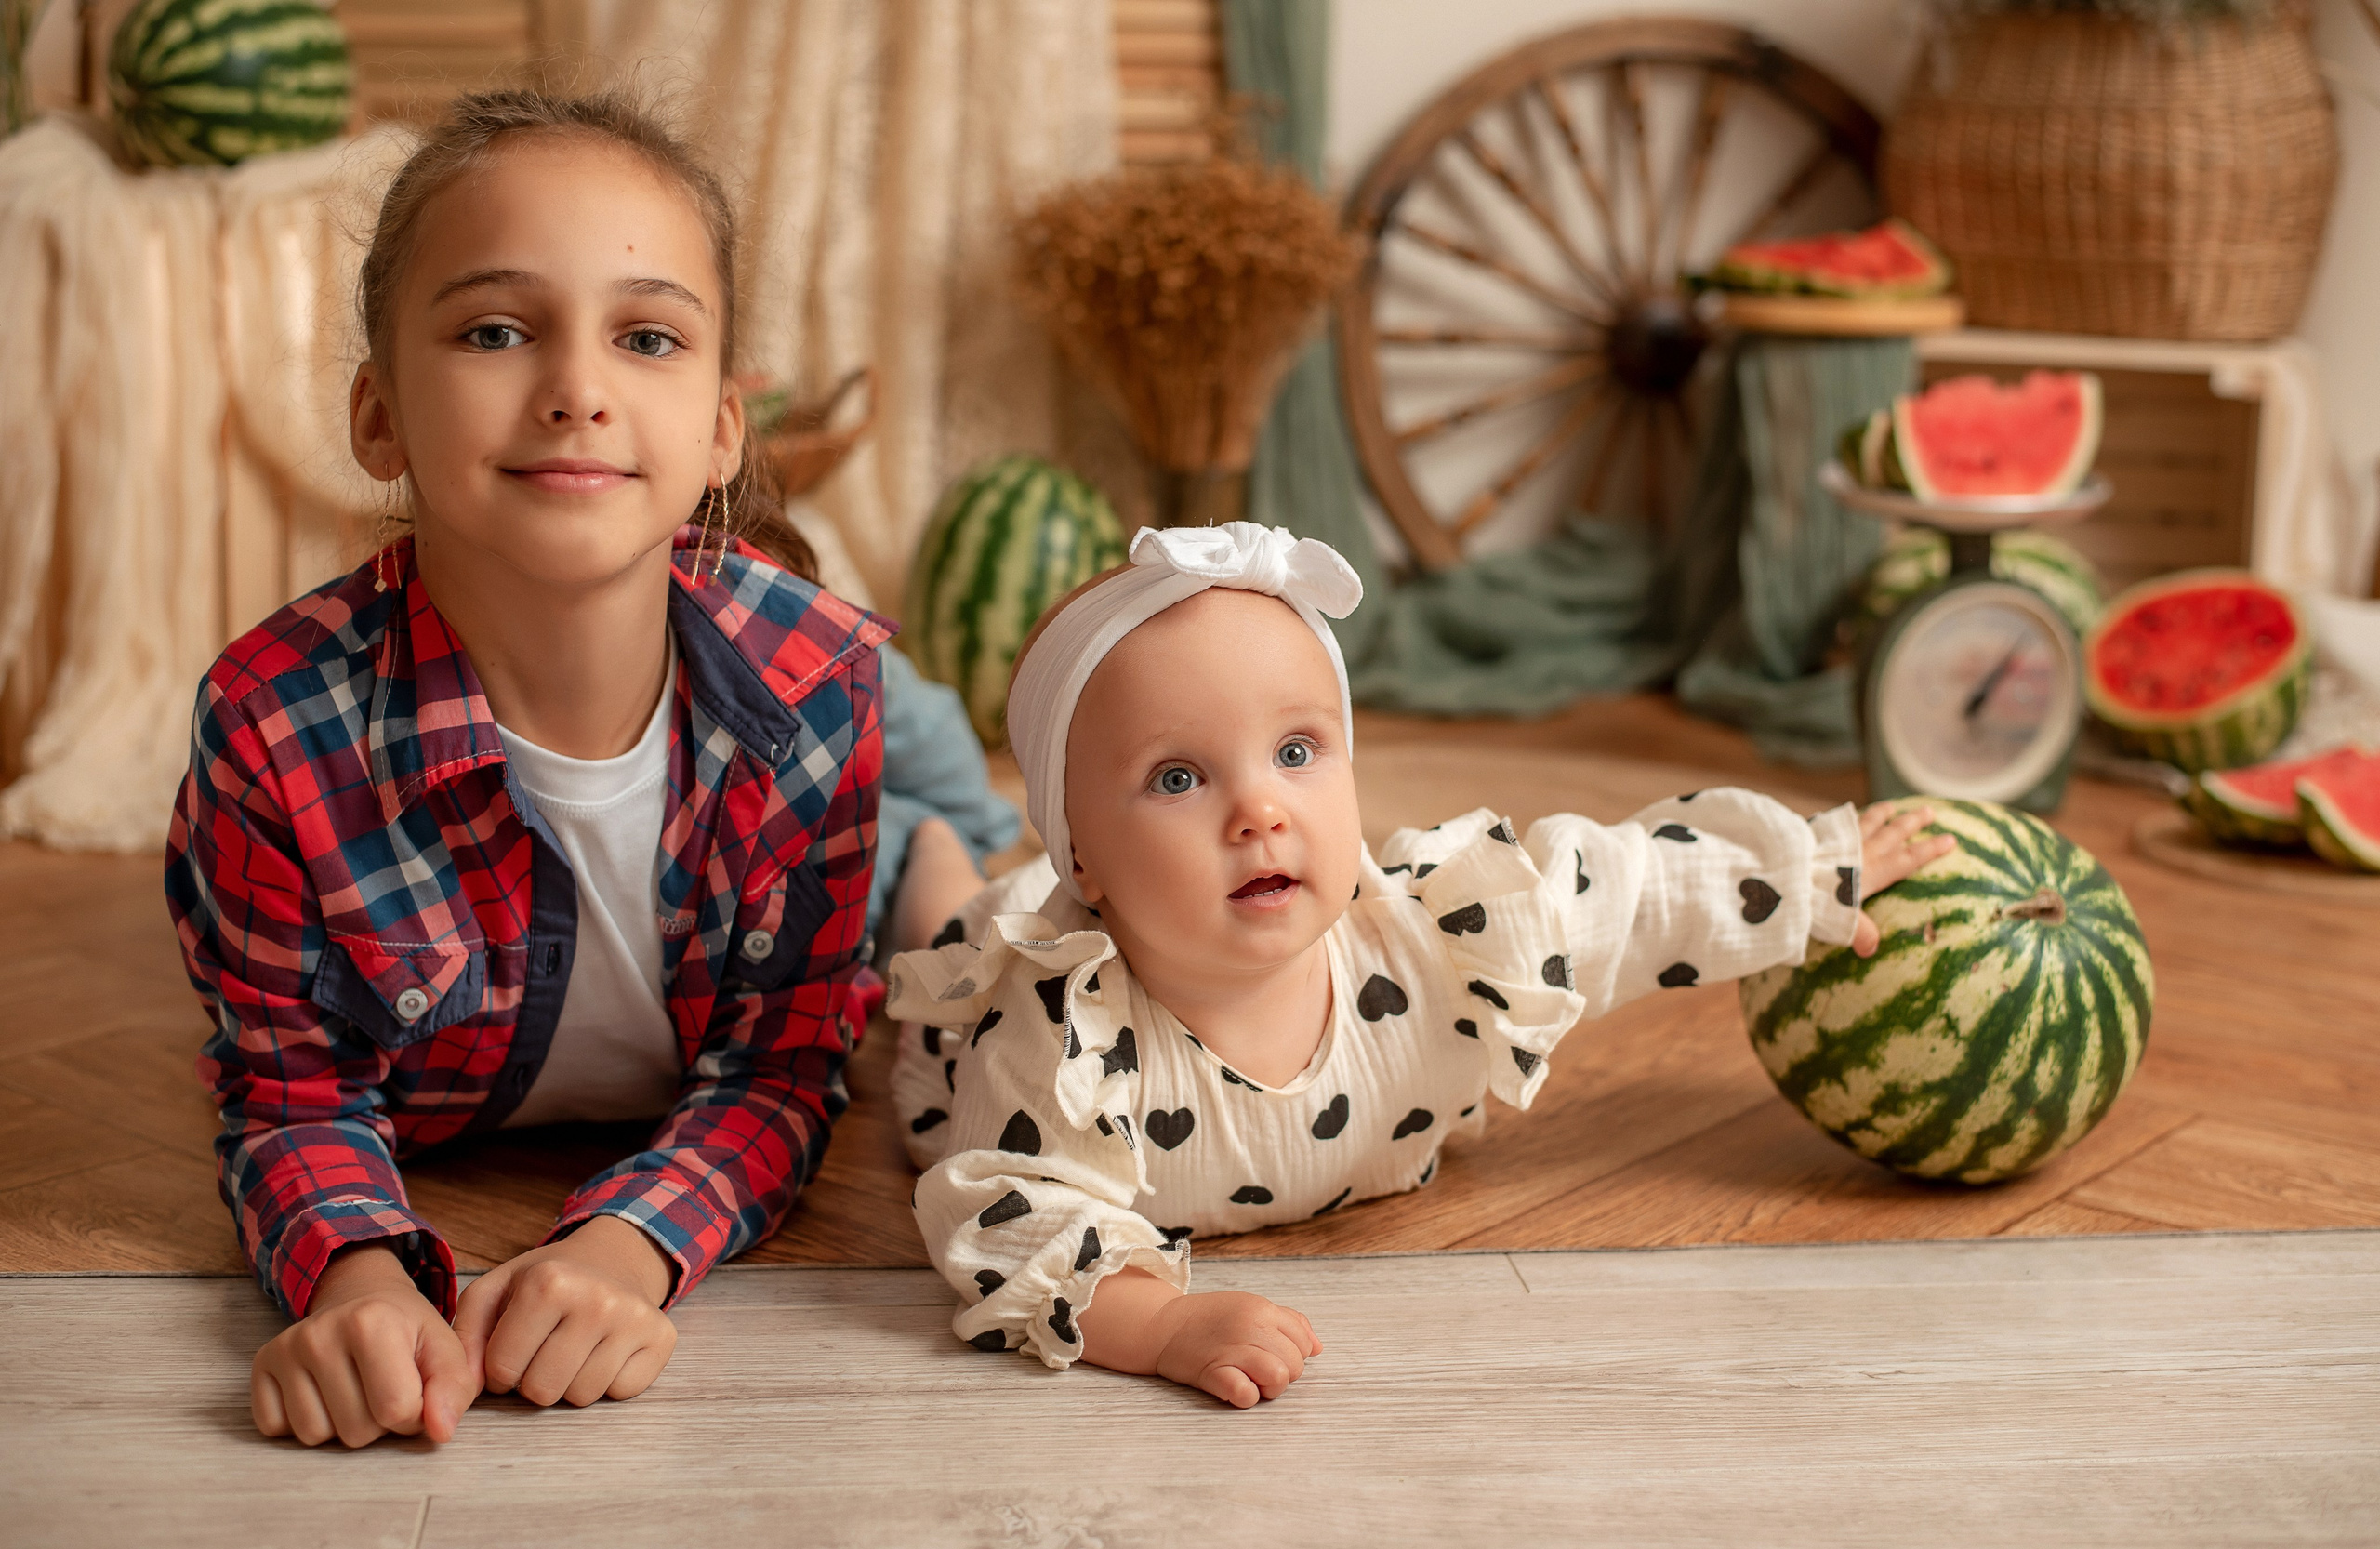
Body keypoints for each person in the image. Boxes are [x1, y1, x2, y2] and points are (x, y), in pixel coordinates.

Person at [165, 89, 893, 1449]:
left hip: (826, 831)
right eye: (495, 330)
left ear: (724, 430)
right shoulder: (270, 731)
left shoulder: (821, 685)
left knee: (932, 912)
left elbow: (781, 1069)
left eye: (648, 336)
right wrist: (359, 1280)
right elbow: (286, 1093)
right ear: (378, 416)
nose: (576, 387)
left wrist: (630, 1246)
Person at [886, 522, 1956, 1409]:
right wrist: (1158, 1322)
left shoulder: (1432, 935)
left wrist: (1810, 872)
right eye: (1177, 775)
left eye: (1297, 752)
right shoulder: (1058, 1030)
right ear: (1082, 855)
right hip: (977, 1014)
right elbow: (1017, 1215)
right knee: (953, 924)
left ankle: (947, 823)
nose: (1259, 809)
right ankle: (929, 848)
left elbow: (1623, 893)